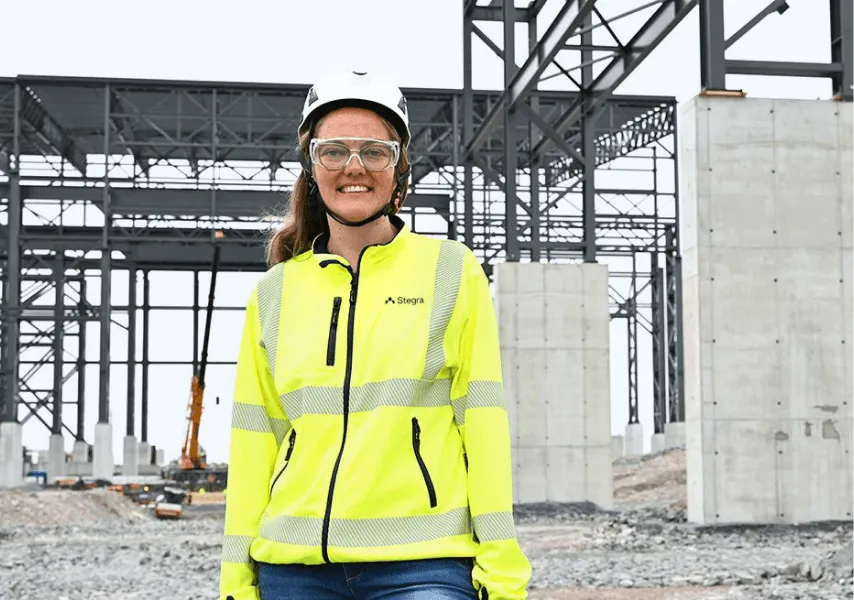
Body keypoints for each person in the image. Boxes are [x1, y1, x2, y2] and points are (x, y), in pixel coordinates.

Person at [218, 70, 532, 600]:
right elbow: (254, 443)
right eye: (334, 151)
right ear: (311, 167)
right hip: (293, 566)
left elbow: (482, 424)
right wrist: (235, 577)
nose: (355, 167)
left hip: (422, 563)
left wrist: (502, 566)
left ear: (400, 167)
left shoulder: (451, 271)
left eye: (376, 151)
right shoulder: (273, 293)